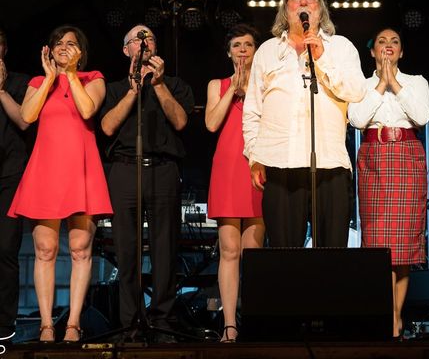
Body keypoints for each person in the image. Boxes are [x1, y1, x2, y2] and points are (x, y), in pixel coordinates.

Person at [243, 0, 366, 248]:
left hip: (329, 163)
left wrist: (321, 58)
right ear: (286, 10)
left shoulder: (341, 48)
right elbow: (252, 109)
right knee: (284, 256)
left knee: (331, 253)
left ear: (320, 10)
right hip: (279, 162)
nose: (303, 1)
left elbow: (357, 91)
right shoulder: (268, 51)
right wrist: (254, 156)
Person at [8, 25, 112, 342]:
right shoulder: (39, 81)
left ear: (81, 51)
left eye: (71, 43)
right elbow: (26, 115)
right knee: (45, 248)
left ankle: (73, 323)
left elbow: (87, 109)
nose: (63, 47)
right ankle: (45, 325)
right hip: (46, 169)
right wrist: (52, 78)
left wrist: (69, 74)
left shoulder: (93, 78)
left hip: (81, 168)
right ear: (49, 50)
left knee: (80, 248)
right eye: (58, 43)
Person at [100, 24, 194, 342]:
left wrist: (160, 84)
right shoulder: (114, 88)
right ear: (126, 50)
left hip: (163, 169)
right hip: (125, 171)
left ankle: (163, 321)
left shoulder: (175, 84)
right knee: (126, 252)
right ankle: (130, 323)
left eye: (149, 37)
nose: (144, 43)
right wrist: (133, 90)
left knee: (164, 249)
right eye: (136, 40)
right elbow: (108, 127)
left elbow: (181, 121)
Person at [348, 27, 429, 338]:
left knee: (404, 246)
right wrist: (381, 85)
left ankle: (395, 318)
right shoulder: (363, 85)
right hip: (373, 156)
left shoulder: (416, 82)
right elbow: (357, 119)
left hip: (407, 156)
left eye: (394, 41)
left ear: (401, 51)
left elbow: (422, 116)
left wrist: (394, 82)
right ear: (372, 52)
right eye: (381, 42)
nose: (388, 46)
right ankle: (385, 314)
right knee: (379, 243)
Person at [205, 24, 265, 343]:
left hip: (256, 167)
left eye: (249, 45)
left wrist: (250, 87)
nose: (243, 49)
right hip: (228, 168)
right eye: (237, 45)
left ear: (257, 50)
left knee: (252, 252)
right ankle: (229, 324)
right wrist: (233, 89)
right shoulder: (217, 84)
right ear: (228, 52)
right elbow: (212, 122)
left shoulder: (267, 86)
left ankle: (252, 321)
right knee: (229, 250)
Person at [0, 27, 30, 342]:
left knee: (6, 249)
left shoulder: (20, 82)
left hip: (10, 176)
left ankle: (4, 324)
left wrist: (0, 90)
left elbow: (24, 120)